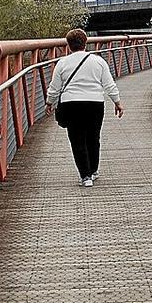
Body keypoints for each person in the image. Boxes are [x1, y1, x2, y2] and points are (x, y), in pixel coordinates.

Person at [45, 29, 124, 187]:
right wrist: (117, 102)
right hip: (95, 103)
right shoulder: (98, 61)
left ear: (68, 45)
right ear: (85, 42)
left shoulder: (62, 63)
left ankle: (85, 176)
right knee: (93, 138)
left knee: (77, 139)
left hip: (71, 104)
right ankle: (94, 170)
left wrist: (50, 102)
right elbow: (109, 84)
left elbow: (55, 87)